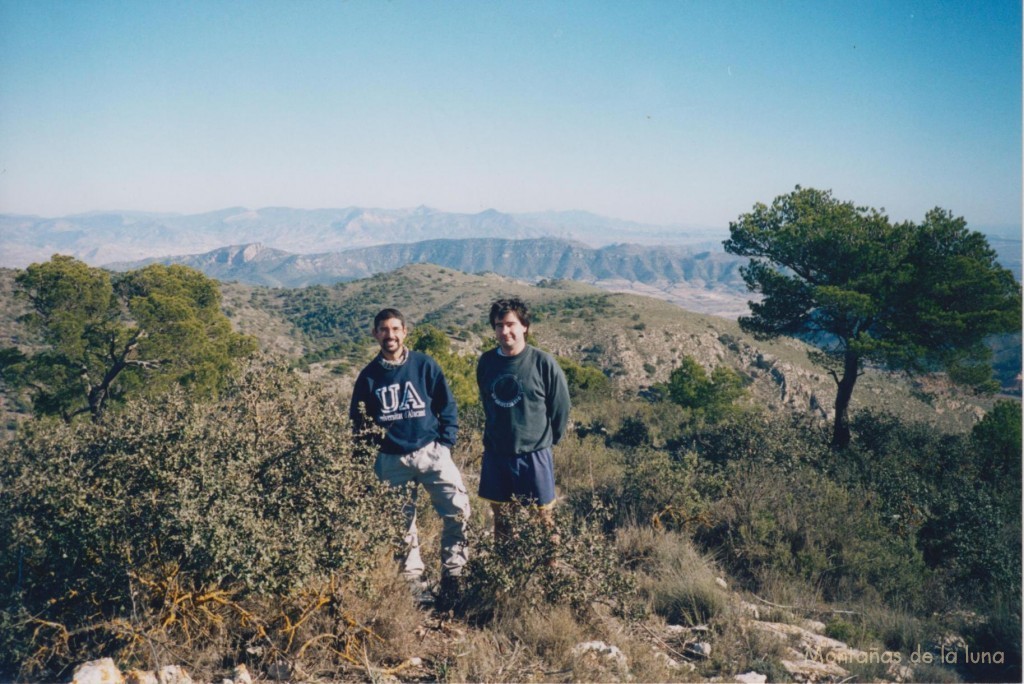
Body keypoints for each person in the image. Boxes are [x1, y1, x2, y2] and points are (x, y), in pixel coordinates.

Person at [350, 308, 470, 609]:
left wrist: (446, 443)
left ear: (405, 331)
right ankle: (415, 585)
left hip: (432, 453)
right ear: (375, 334)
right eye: (383, 330)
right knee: (400, 527)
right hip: (391, 461)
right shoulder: (368, 377)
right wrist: (363, 464)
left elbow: (447, 405)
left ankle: (454, 577)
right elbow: (359, 423)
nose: (390, 335)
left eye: (395, 329)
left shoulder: (424, 365)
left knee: (458, 512)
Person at [476, 297, 571, 539]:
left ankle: (552, 571)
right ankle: (505, 569)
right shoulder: (487, 362)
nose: (504, 331)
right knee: (501, 519)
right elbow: (487, 402)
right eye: (499, 325)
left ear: (524, 327)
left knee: (544, 519)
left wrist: (546, 442)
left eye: (510, 324)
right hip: (497, 454)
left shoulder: (543, 363)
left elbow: (560, 408)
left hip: (534, 454)